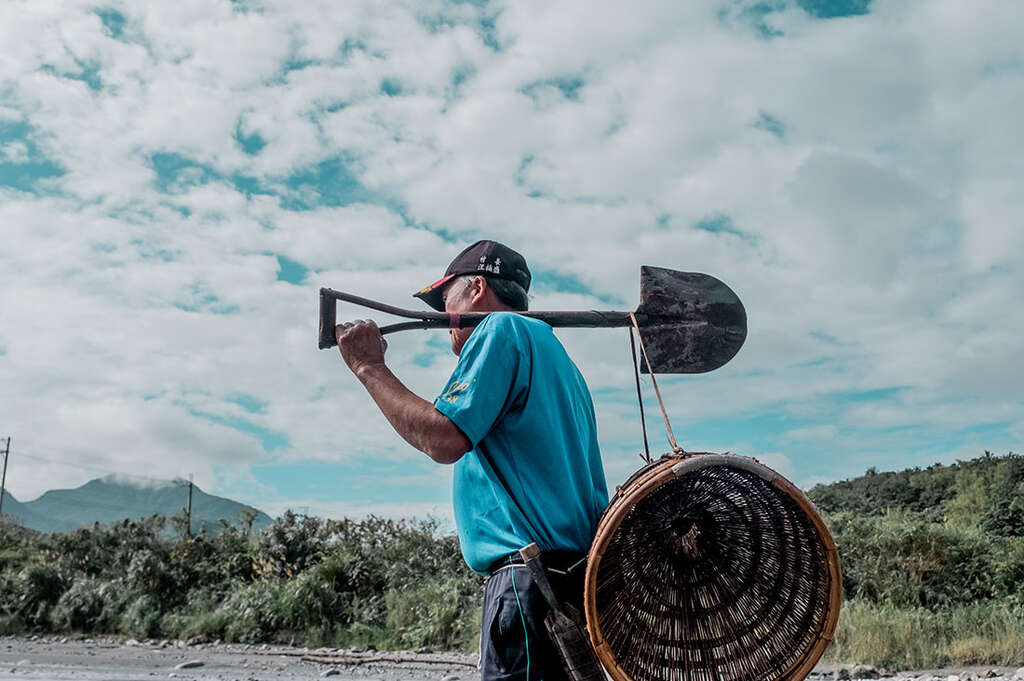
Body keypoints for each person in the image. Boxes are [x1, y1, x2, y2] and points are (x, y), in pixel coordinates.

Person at [335, 240, 608, 681]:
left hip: (529, 584)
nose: (445, 322)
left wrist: (369, 367)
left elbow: (444, 438)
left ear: (477, 288)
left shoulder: (501, 330)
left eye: (446, 302)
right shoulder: (559, 359)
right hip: (575, 585)